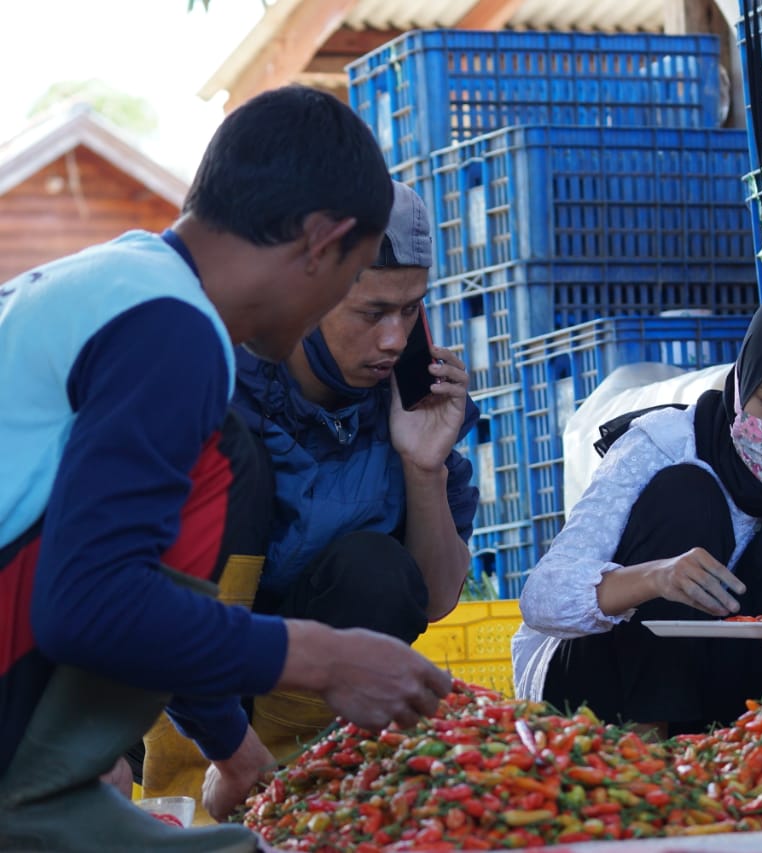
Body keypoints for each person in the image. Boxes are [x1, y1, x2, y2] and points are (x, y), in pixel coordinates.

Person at [0, 86, 453, 852]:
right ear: (321, 242)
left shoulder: (121, 284)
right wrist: (325, 656)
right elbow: (90, 603)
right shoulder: (172, 331)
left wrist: (234, 749)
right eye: (350, 287)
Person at [138, 183, 480, 812]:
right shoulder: (218, 379)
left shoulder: (413, 401)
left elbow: (430, 598)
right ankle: (189, 784)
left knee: (377, 569)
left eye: (411, 312)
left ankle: (278, 792)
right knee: (232, 454)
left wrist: (423, 465)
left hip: (300, 688)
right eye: (372, 312)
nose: (394, 341)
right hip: (167, 674)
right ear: (308, 293)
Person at [512, 283, 762, 736]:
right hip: (602, 696)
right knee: (688, 493)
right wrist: (655, 578)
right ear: (743, 380)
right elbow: (541, 599)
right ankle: (645, 751)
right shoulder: (664, 443)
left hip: (739, 700)